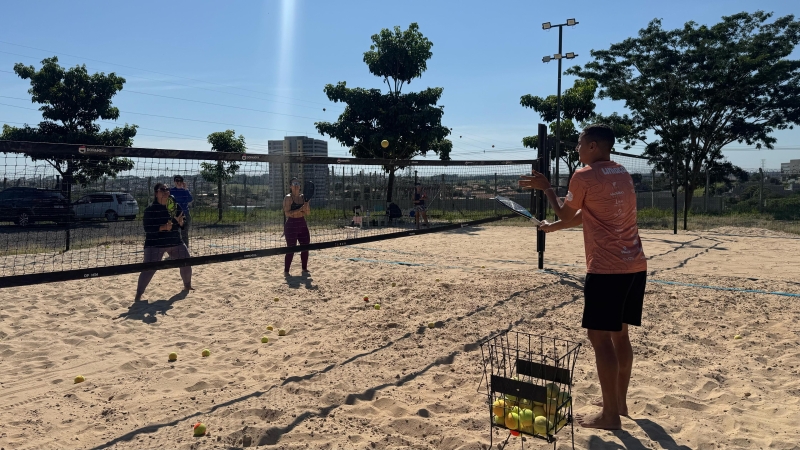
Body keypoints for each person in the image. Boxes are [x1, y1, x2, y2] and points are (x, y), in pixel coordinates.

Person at [519, 124, 647, 430]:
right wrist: (553, 228)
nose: (576, 149)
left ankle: (610, 417)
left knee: (599, 338)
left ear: (592, 146)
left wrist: (547, 188)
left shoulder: (584, 175)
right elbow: (583, 216)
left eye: (579, 144)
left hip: (606, 269)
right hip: (635, 266)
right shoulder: (622, 174)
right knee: (621, 335)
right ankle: (619, 403)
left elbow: (566, 212)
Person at [134, 183, 193, 301]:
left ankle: (187, 286)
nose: (166, 191)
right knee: (149, 269)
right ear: (156, 193)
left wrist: (181, 223)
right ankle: (138, 295)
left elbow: (183, 223)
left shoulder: (174, 206)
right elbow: (148, 229)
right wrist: (163, 227)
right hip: (155, 244)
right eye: (163, 189)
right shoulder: (150, 210)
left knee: (186, 263)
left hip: (175, 241)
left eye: (167, 189)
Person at [283, 177, 311, 275]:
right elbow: (287, 213)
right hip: (291, 225)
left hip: (302, 223)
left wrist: (306, 205)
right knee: (291, 248)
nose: (296, 186)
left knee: (306, 246)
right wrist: (300, 209)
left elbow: (307, 213)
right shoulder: (288, 198)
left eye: (298, 184)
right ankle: (286, 271)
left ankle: (304, 268)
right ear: (290, 186)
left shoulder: (304, 197)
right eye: (294, 184)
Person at [169, 175, 193, 249]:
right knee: (174, 232)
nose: (179, 182)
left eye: (180, 181)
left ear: (183, 182)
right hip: (174, 215)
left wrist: (186, 189)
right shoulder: (171, 191)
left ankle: (185, 248)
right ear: (174, 182)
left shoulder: (185, 191)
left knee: (184, 232)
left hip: (184, 213)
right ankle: (174, 248)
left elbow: (190, 199)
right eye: (177, 181)